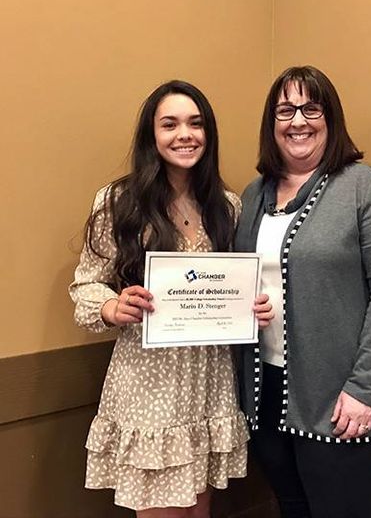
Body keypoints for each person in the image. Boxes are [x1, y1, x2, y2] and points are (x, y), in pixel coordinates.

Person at [72, 80, 268, 517]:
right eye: (170, 124)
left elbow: (233, 285)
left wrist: (250, 306)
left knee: (200, 511)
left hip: (208, 379)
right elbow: (85, 285)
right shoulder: (119, 202)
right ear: (151, 135)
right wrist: (112, 306)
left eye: (196, 124)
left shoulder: (227, 206)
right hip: (149, 384)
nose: (185, 134)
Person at [235, 66, 371, 518]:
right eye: (285, 111)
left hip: (341, 394)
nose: (298, 121)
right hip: (266, 389)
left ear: (330, 119)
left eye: (310, 108)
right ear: (270, 124)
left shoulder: (362, 186)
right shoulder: (254, 195)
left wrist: (364, 387)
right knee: (292, 506)